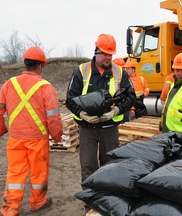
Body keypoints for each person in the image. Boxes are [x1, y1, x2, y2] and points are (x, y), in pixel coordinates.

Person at [0, 46, 63, 215]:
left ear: (25, 64)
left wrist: (0, 129)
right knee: (39, 173)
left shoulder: (10, 83)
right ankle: (38, 203)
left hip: (16, 138)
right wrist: (57, 136)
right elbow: (53, 117)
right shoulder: (45, 87)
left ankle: (10, 208)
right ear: (40, 66)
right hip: (37, 140)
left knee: (15, 173)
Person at [66, 34, 136, 187]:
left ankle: (106, 200)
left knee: (109, 166)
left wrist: (116, 110)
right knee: (88, 166)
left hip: (109, 128)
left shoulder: (119, 72)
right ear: (96, 51)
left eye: (110, 54)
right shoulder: (81, 71)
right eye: (105, 53)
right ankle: (90, 204)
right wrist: (82, 114)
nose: (108, 57)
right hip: (87, 129)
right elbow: (70, 99)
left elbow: (131, 96)